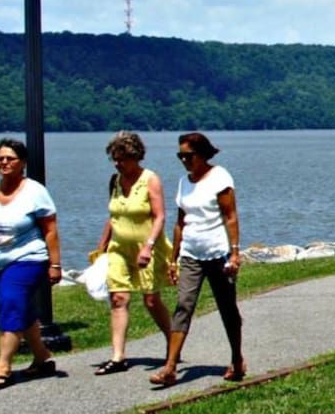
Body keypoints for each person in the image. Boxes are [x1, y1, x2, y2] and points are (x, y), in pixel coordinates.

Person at [0, 138, 63, 391]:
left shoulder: (35, 191)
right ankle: (42, 357)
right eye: (0, 158)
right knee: (21, 310)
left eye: (10, 158)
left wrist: (55, 264)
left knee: (10, 303)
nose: (4, 162)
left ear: (22, 162)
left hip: (28, 258)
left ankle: (3, 366)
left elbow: (50, 230)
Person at [150, 132, 245, 387]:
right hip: (191, 253)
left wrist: (235, 253)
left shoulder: (219, 177)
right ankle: (170, 367)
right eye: (180, 156)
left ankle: (237, 359)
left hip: (218, 254)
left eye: (188, 156)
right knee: (184, 305)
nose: (184, 160)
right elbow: (180, 223)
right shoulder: (184, 182)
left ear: (202, 154)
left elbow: (230, 216)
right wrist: (174, 258)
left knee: (227, 308)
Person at [93, 131, 174, 375]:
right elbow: (114, 216)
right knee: (118, 298)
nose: (118, 164)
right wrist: (102, 245)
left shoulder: (150, 179)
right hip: (119, 247)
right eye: (114, 159)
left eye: (122, 159)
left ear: (135, 157)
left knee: (151, 300)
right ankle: (118, 356)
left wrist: (148, 246)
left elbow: (159, 216)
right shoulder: (115, 181)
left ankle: (173, 341)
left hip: (147, 246)